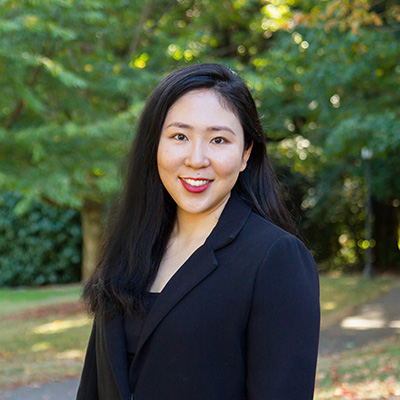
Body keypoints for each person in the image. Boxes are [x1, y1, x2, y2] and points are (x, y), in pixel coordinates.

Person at [76, 63, 320, 400]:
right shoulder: (130, 248)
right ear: (155, 145)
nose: (196, 159)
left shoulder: (276, 258)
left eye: (218, 139)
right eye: (179, 136)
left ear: (246, 153)